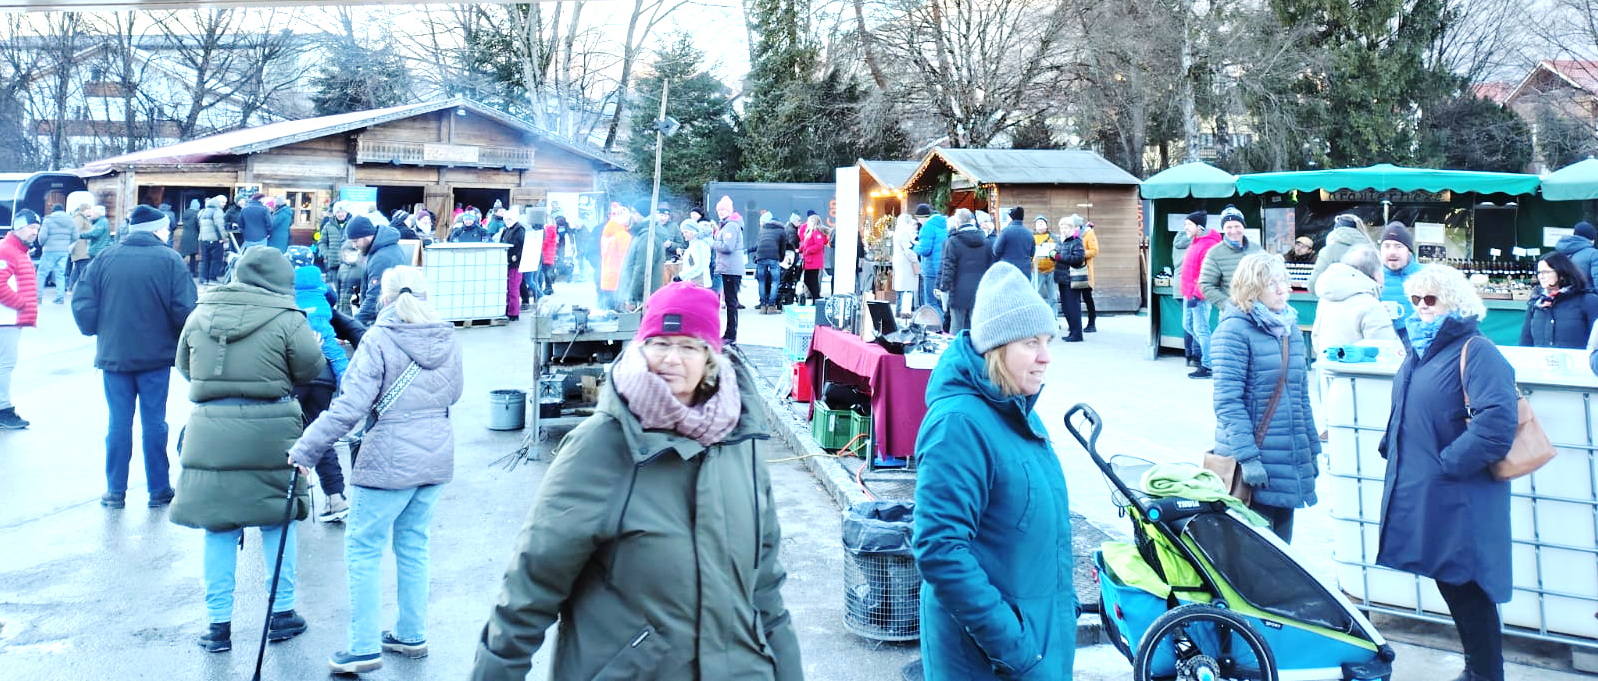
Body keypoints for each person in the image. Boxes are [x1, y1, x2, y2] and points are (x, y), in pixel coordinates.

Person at [470, 282, 801, 681]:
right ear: (640, 348)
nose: (671, 358)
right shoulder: (600, 446)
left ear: (710, 358)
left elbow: (765, 588)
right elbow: (530, 587)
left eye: (689, 346)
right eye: (660, 344)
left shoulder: (740, 443)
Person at [290, 266, 464, 675]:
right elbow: (454, 393)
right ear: (426, 295)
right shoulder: (446, 335)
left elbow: (349, 407)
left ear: (383, 298)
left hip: (389, 458)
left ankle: (364, 647)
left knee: (364, 550)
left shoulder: (379, 338)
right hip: (436, 454)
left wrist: (306, 449)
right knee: (414, 545)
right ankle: (410, 634)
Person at [914, 261, 1074, 680]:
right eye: (1030, 343)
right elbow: (940, 549)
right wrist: (1015, 648)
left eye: (1047, 341)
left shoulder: (1018, 411)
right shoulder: (958, 425)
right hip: (992, 661)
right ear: (996, 348)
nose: (1046, 357)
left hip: (1036, 643)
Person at [168, 246, 325, 654]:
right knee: (277, 520)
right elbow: (310, 369)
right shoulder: (289, 318)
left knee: (218, 526)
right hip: (272, 427)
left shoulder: (200, 313)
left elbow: (185, 366)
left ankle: (218, 625)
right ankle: (282, 614)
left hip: (210, 428)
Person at [1380, 264, 1514, 681]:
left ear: (1454, 301)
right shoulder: (1422, 348)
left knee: (1469, 583)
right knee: (1449, 577)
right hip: (1432, 488)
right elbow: (1408, 404)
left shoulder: (1477, 350)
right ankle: (1478, 669)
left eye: (1430, 298)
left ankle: (1486, 673)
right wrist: (1391, 444)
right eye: (1415, 298)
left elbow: (1497, 424)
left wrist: (1449, 464)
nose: (1421, 306)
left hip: (1461, 492)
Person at [71, 205, 198, 508]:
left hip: (114, 356)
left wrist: (96, 329)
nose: (168, 232)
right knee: (154, 423)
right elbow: (185, 310)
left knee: (118, 423)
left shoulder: (105, 258)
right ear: (157, 229)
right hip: (156, 357)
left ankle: (115, 491)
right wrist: (182, 340)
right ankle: (158, 489)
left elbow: (83, 300)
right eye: (166, 228)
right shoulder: (170, 260)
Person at [1209, 252, 1318, 541]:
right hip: (1253, 459)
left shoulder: (1289, 328)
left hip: (1288, 456)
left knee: (1281, 550)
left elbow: (1300, 397)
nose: (1283, 289)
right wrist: (1248, 458)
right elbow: (1227, 403)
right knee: (1252, 551)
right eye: (1272, 284)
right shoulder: (1233, 331)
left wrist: (1311, 450)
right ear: (1252, 288)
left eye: (1284, 281)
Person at [287, 246, 353, 523]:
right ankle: (336, 498)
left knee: (287, 432)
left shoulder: (282, 289)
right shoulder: (322, 287)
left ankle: (293, 492)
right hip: (324, 375)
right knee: (320, 432)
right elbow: (333, 299)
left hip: (295, 372)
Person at [1195, 205, 1262, 378]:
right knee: (1234, 361)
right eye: (1228, 227)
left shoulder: (1257, 249)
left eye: (1237, 226)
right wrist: (1228, 305)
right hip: (1232, 316)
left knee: (1258, 360)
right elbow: (1205, 284)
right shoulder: (1214, 253)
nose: (1233, 231)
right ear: (1223, 229)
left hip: (1259, 314)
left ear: (1243, 226)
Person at [1312, 244, 1396, 351]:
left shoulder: (1326, 299)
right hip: (1360, 362)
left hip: (1326, 360)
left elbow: (1316, 338)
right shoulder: (1371, 306)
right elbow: (1384, 349)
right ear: (1376, 274)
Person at [0, 209, 41, 429]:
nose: (35, 232)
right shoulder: (8, 250)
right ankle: (3, 410)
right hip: (5, 318)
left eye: (37, 228)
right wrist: (20, 303)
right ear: (18, 227)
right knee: (5, 364)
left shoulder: (19, 251)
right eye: (31, 227)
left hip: (9, 318)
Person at [1521, 251, 1598, 349]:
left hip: (1577, 358)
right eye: (1539, 272)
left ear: (1562, 273)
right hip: (1542, 358)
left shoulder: (1588, 300)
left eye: (1546, 272)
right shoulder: (1536, 303)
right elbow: (1525, 342)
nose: (1541, 276)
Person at [1179, 210, 1222, 375]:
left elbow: (1207, 274)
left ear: (1199, 226)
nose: (1186, 228)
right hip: (1189, 293)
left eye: (1189, 224)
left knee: (1201, 329)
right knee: (1188, 326)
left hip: (1199, 296)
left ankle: (1208, 365)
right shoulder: (1196, 242)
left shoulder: (1208, 245)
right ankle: (1210, 356)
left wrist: (1197, 294)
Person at [937, 208, 992, 334]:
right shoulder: (986, 241)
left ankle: (955, 347)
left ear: (957, 223)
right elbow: (991, 267)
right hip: (980, 290)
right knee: (977, 327)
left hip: (958, 290)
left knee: (956, 326)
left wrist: (943, 288)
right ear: (972, 221)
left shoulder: (953, 242)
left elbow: (948, 267)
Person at [619, 199, 677, 309]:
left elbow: (641, 270)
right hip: (643, 295)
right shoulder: (642, 234)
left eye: (634, 212)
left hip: (645, 297)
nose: (631, 215)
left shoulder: (647, 237)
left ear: (643, 213)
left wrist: (632, 297)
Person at [348, 216, 403, 326]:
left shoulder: (381, 258)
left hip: (387, 320)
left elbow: (375, 298)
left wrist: (353, 325)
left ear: (366, 236)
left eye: (355, 241)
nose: (354, 246)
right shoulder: (381, 248)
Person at [1307, 214, 1372, 292]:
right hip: (1364, 297)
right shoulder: (1371, 250)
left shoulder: (1329, 251)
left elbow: (1313, 285)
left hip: (1334, 297)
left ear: (1335, 230)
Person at [711, 195, 745, 344]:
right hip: (728, 268)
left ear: (730, 211)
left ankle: (730, 335)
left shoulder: (731, 226)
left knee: (731, 303)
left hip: (730, 268)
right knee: (731, 303)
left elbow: (727, 247)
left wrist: (712, 243)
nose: (721, 212)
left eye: (723, 210)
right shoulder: (727, 225)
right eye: (719, 210)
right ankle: (729, 334)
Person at [1377, 221, 1422, 330]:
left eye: (1398, 246)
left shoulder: (1426, 276)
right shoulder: (1371, 277)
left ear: (1409, 252)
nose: (1392, 252)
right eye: (1386, 246)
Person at [1052, 216, 1089, 342]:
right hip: (1062, 278)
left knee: (1073, 306)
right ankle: (1072, 331)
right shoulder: (1062, 241)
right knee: (1066, 307)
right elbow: (1058, 255)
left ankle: (1077, 334)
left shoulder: (1076, 241)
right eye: (1061, 227)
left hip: (1072, 278)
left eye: (1066, 227)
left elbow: (1078, 258)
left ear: (1072, 228)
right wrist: (1053, 255)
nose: (1063, 230)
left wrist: (1058, 257)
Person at [913, 204, 949, 321]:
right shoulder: (946, 223)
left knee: (931, 302)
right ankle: (947, 324)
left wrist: (914, 247)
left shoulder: (927, 227)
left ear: (922, 217)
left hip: (931, 270)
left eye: (918, 219)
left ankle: (940, 325)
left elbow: (925, 250)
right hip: (945, 268)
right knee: (942, 301)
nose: (919, 222)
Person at [37, 203, 74, 303]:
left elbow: (42, 236)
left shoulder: (48, 220)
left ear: (53, 211)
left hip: (49, 250)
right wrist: (67, 244)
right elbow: (75, 236)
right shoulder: (71, 220)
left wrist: (42, 244)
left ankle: (38, 297)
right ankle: (60, 298)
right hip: (64, 251)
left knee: (42, 273)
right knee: (60, 274)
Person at [598, 202, 632, 311]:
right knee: (617, 312)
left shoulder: (607, 233)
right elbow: (625, 259)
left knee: (607, 310)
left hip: (607, 277)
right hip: (618, 279)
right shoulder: (623, 235)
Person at [753, 211, 787, 314]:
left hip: (761, 257)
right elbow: (783, 247)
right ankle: (771, 306)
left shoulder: (763, 229)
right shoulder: (781, 231)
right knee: (775, 281)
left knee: (762, 281)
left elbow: (759, 244)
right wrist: (781, 258)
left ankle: (763, 306)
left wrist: (757, 257)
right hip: (773, 257)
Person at [1552, 220, 1598, 288]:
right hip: (1587, 293)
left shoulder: (1559, 252)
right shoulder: (1594, 254)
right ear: (1591, 238)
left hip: (1565, 292)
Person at [499, 208, 526, 320]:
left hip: (516, 264)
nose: (507, 221)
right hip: (506, 262)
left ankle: (514, 313)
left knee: (513, 288)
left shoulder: (520, 230)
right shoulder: (506, 230)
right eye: (506, 219)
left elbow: (525, 246)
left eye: (509, 219)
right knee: (507, 288)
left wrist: (517, 256)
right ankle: (507, 310)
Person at [1074, 216, 1100, 332]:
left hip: (1085, 271)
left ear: (1079, 225)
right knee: (1074, 299)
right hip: (1073, 271)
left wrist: (1080, 253)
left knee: (1087, 297)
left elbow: (1094, 251)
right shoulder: (1071, 235)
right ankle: (1075, 324)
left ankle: (1092, 323)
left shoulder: (1088, 234)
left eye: (1074, 226)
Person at [892, 213, 920, 315]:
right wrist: (915, 259)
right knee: (907, 288)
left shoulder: (897, 232)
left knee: (900, 288)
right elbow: (908, 250)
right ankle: (905, 311)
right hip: (906, 264)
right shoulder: (904, 234)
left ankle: (899, 309)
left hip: (899, 262)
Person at [318, 202, 353, 285]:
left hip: (349, 263)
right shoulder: (328, 226)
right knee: (335, 287)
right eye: (338, 212)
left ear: (346, 212)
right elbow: (322, 242)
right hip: (334, 263)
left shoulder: (352, 224)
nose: (340, 214)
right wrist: (327, 254)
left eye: (342, 212)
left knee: (347, 287)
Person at [991, 205, 1031, 273]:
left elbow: (996, 251)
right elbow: (1032, 252)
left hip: (1008, 270)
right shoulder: (1029, 233)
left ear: (1011, 218)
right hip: (1025, 271)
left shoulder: (1005, 232)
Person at [197, 196, 228, 284]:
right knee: (216, 260)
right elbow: (219, 225)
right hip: (215, 239)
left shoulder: (203, 211)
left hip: (203, 239)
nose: (224, 204)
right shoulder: (217, 211)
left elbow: (199, 225)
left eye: (225, 202)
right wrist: (224, 237)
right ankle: (212, 279)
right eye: (223, 202)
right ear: (217, 202)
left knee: (205, 259)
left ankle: (203, 279)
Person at [1030, 215, 1058, 310]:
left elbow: (1059, 249)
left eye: (1042, 222)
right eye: (1038, 223)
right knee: (1035, 294)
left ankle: (1054, 316)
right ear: (1035, 226)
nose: (1040, 224)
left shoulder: (1053, 237)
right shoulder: (1031, 238)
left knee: (1053, 296)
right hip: (1036, 270)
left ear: (1046, 225)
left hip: (1052, 270)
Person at [799, 212, 828, 303]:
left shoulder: (816, 233)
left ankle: (817, 298)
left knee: (812, 281)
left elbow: (819, 245)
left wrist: (808, 250)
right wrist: (800, 249)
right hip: (809, 260)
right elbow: (806, 244)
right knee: (808, 280)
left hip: (813, 261)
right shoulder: (810, 232)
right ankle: (816, 298)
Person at [676, 220, 714, 288]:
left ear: (693, 232)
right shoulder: (693, 244)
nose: (684, 235)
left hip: (700, 284)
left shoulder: (699, 244)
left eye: (686, 232)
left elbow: (700, 266)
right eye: (683, 232)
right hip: (693, 283)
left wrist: (681, 276)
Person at [179, 199, 201, 277]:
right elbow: (198, 225)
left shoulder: (185, 213)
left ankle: (178, 268)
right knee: (192, 255)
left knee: (183, 254)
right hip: (193, 235)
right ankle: (192, 271)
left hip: (185, 234)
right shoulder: (196, 214)